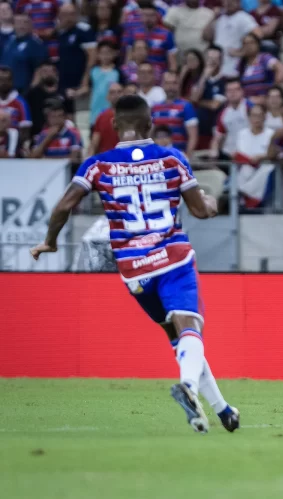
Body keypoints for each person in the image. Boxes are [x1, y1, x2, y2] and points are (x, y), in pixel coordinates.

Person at [30, 94, 240, 435]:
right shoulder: (172, 159)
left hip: (133, 270)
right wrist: (212, 203)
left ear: (114, 126)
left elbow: (63, 206)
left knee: (179, 338)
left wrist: (50, 241)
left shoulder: (98, 165)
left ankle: (223, 410)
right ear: (150, 125)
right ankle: (187, 386)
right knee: (190, 327)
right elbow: (200, 211)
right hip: (172, 257)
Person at [233, 102, 275, 209]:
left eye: (259, 115)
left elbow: (275, 154)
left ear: (265, 117)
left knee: (268, 168)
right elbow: (239, 153)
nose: (256, 118)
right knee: (245, 170)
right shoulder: (242, 134)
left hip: (263, 170)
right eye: (253, 115)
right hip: (245, 169)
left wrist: (261, 157)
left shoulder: (271, 134)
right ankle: (245, 195)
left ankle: (245, 191)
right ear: (248, 117)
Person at [208, 0, 262, 78]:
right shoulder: (220, 18)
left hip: (234, 65)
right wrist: (213, 17)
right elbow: (206, 36)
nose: (228, 3)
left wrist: (242, 52)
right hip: (218, 65)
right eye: (226, 1)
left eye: (231, 1)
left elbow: (258, 34)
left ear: (238, 2)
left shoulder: (243, 17)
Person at [151, 71, 199, 152]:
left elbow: (193, 136)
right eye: (167, 83)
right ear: (162, 85)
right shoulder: (155, 108)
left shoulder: (186, 106)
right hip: (159, 156)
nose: (170, 87)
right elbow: (151, 134)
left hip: (178, 155)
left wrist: (187, 157)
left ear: (179, 85)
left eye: (174, 83)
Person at [1, 13, 46, 93]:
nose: (21, 26)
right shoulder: (9, 42)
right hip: (4, 91)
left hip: (23, 91)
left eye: (25, 22)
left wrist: (30, 91)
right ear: (13, 25)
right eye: (18, 22)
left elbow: (40, 70)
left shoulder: (35, 44)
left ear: (31, 25)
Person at [128, 1, 176, 73]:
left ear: (157, 16)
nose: (148, 18)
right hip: (138, 74)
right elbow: (129, 58)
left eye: (151, 15)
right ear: (140, 16)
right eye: (145, 15)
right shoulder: (134, 33)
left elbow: (172, 63)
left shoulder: (166, 34)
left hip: (159, 74)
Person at [82, 41, 121, 126]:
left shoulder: (118, 72)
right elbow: (86, 87)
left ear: (114, 54)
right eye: (103, 53)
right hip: (95, 111)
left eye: (108, 53)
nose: (105, 56)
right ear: (98, 55)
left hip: (113, 112)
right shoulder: (93, 71)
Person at [211, 78, 251, 160]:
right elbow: (217, 138)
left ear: (242, 91)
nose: (232, 93)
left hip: (248, 153)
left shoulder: (250, 107)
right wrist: (214, 151)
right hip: (230, 155)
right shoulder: (223, 113)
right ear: (225, 93)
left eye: (236, 90)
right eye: (229, 90)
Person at [239, 33, 280, 104]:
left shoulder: (265, 58)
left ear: (258, 44)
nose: (248, 46)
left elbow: (280, 68)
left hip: (265, 101)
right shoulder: (241, 63)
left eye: (251, 42)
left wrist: (274, 88)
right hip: (248, 103)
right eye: (245, 44)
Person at [87, 81, 123, 156]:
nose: (116, 95)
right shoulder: (102, 116)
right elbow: (94, 144)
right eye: (112, 92)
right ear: (107, 97)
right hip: (107, 160)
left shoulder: (132, 115)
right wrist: (87, 161)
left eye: (119, 92)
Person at [0, 65, 31, 144]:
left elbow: (25, 130)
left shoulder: (20, 102)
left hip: (14, 144)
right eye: (1, 80)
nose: (4, 83)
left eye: (7, 80)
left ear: (12, 81)